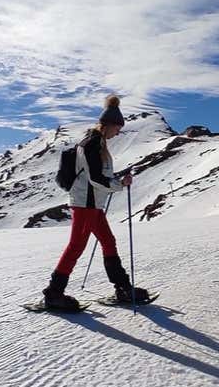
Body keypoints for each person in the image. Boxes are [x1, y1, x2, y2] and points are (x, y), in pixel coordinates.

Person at [42, 95, 150, 309]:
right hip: (85, 204)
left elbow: (97, 175)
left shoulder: (98, 142)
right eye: (117, 128)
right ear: (109, 125)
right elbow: (95, 178)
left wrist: (118, 179)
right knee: (76, 246)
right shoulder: (92, 144)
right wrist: (120, 184)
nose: (118, 132)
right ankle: (54, 294)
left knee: (108, 241)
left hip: (93, 204)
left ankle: (122, 288)